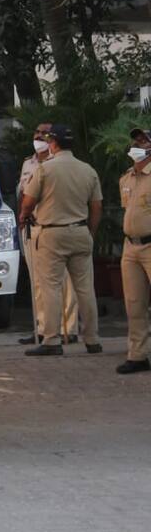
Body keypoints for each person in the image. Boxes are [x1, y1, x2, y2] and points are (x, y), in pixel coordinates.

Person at [19, 124, 103, 356]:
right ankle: (92, 339)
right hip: (80, 231)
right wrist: (90, 232)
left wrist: (24, 215)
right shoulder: (88, 170)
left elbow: (28, 202)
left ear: (53, 143)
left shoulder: (45, 170)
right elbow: (97, 207)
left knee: (51, 288)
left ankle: (52, 340)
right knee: (85, 289)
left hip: (52, 233)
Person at [17, 122, 79, 345]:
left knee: (65, 281)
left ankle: (68, 329)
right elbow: (22, 194)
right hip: (32, 227)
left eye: (44, 134)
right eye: (37, 132)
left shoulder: (60, 163)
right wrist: (22, 219)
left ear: (53, 140)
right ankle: (43, 328)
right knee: (38, 281)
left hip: (55, 226)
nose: (39, 136)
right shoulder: (28, 163)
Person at [116, 126, 151, 374]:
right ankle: (138, 355)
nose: (137, 144)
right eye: (135, 140)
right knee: (134, 304)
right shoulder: (126, 178)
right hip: (131, 247)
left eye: (143, 140)